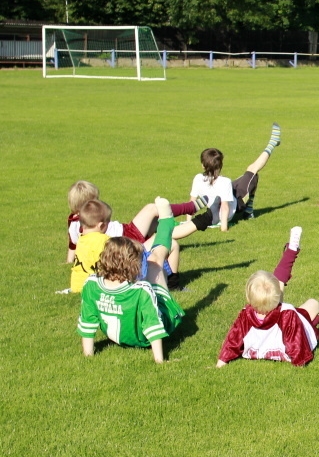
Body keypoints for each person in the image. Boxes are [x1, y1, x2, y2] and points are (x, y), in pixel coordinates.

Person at [77, 202, 183, 363]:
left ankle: (166, 221)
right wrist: (160, 361)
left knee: (154, 261)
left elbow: (87, 322)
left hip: (117, 338)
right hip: (143, 338)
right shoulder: (142, 290)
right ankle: (167, 220)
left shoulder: (91, 284)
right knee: (155, 262)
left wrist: (88, 355)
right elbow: (152, 325)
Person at [216, 228, 319, 367]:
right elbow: (297, 344)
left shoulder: (246, 315)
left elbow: (233, 340)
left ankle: (292, 250)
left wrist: (221, 362)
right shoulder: (287, 315)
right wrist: (300, 362)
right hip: (284, 325)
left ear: (249, 297)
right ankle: (292, 250)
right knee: (313, 303)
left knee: (282, 292)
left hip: (270, 332)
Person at [174, 124, 283, 240]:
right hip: (236, 203)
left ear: (202, 165)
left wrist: (187, 224)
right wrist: (224, 227)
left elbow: (191, 204)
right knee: (253, 171)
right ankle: (272, 143)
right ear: (220, 165)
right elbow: (225, 207)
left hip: (225, 195)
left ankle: (249, 211)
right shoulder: (224, 182)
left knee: (245, 176)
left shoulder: (198, 178)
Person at [64, 180, 198, 264]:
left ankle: (199, 219)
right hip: (128, 237)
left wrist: (70, 261)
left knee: (158, 225)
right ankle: (191, 208)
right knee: (152, 210)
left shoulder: (74, 220)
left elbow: (73, 244)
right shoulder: (93, 223)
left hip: (126, 232)